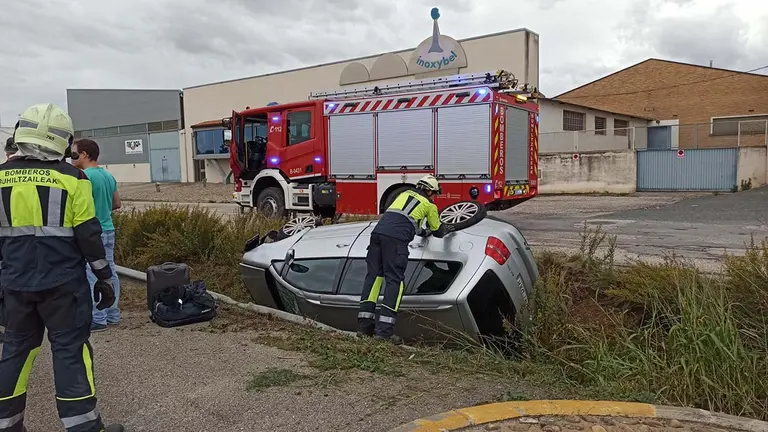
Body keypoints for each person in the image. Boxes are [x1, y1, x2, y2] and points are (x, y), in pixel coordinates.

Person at [0, 103, 124, 432]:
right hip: (64, 286)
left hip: (15, 284)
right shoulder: (73, 178)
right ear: (64, 142)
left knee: (15, 351)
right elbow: (88, 234)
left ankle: (6, 424)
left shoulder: (0, 177)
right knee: (70, 352)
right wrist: (104, 276)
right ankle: (84, 427)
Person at [357, 175, 451, 343]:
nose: (434, 197)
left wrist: (422, 232)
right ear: (430, 191)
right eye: (435, 194)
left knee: (374, 278)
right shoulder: (429, 205)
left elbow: (405, 219)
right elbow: (438, 230)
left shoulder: (403, 194)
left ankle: (364, 328)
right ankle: (384, 333)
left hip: (377, 234)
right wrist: (449, 228)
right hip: (396, 241)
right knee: (395, 282)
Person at [70, 138, 122, 332]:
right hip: (108, 228)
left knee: (92, 273)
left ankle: (98, 318)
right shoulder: (108, 176)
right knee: (110, 271)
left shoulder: (83, 177)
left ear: (84, 154)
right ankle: (113, 314)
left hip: (92, 232)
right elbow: (117, 203)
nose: (71, 157)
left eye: (74, 153)